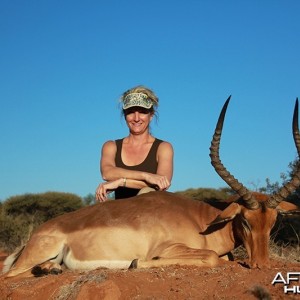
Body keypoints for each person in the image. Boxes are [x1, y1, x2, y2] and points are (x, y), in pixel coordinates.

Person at [95, 85, 174, 202]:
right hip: (121, 213)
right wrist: (146, 176)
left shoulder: (163, 147)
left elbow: (161, 184)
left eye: (142, 112)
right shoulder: (111, 146)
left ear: (151, 116)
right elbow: (107, 173)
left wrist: (120, 182)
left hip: (152, 214)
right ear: (125, 115)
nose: (136, 118)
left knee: (146, 192)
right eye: (131, 112)